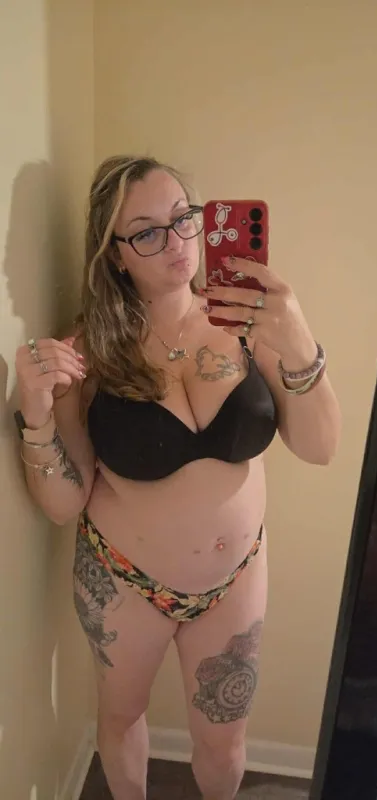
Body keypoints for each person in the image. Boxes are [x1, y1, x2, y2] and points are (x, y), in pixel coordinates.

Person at [14, 155, 341, 800]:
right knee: (121, 718)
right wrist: (36, 414)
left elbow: (320, 447)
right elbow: (64, 502)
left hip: (235, 579)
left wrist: (300, 342)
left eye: (183, 217)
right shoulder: (89, 352)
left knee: (224, 744)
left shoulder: (248, 322)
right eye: (146, 232)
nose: (176, 242)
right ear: (114, 254)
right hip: (123, 583)